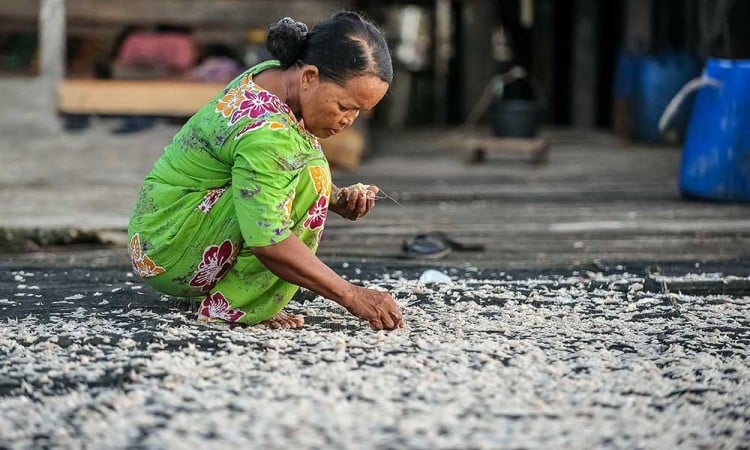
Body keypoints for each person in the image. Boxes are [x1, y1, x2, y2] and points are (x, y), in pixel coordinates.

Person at [127, 12, 404, 331]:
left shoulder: (273, 77)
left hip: (159, 230)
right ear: (310, 76)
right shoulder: (269, 132)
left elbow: (268, 174)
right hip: (169, 248)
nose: (349, 120)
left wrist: (336, 198)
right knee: (312, 177)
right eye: (344, 106)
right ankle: (234, 306)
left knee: (311, 176)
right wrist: (351, 295)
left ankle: (237, 293)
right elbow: (268, 240)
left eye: (359, 111)